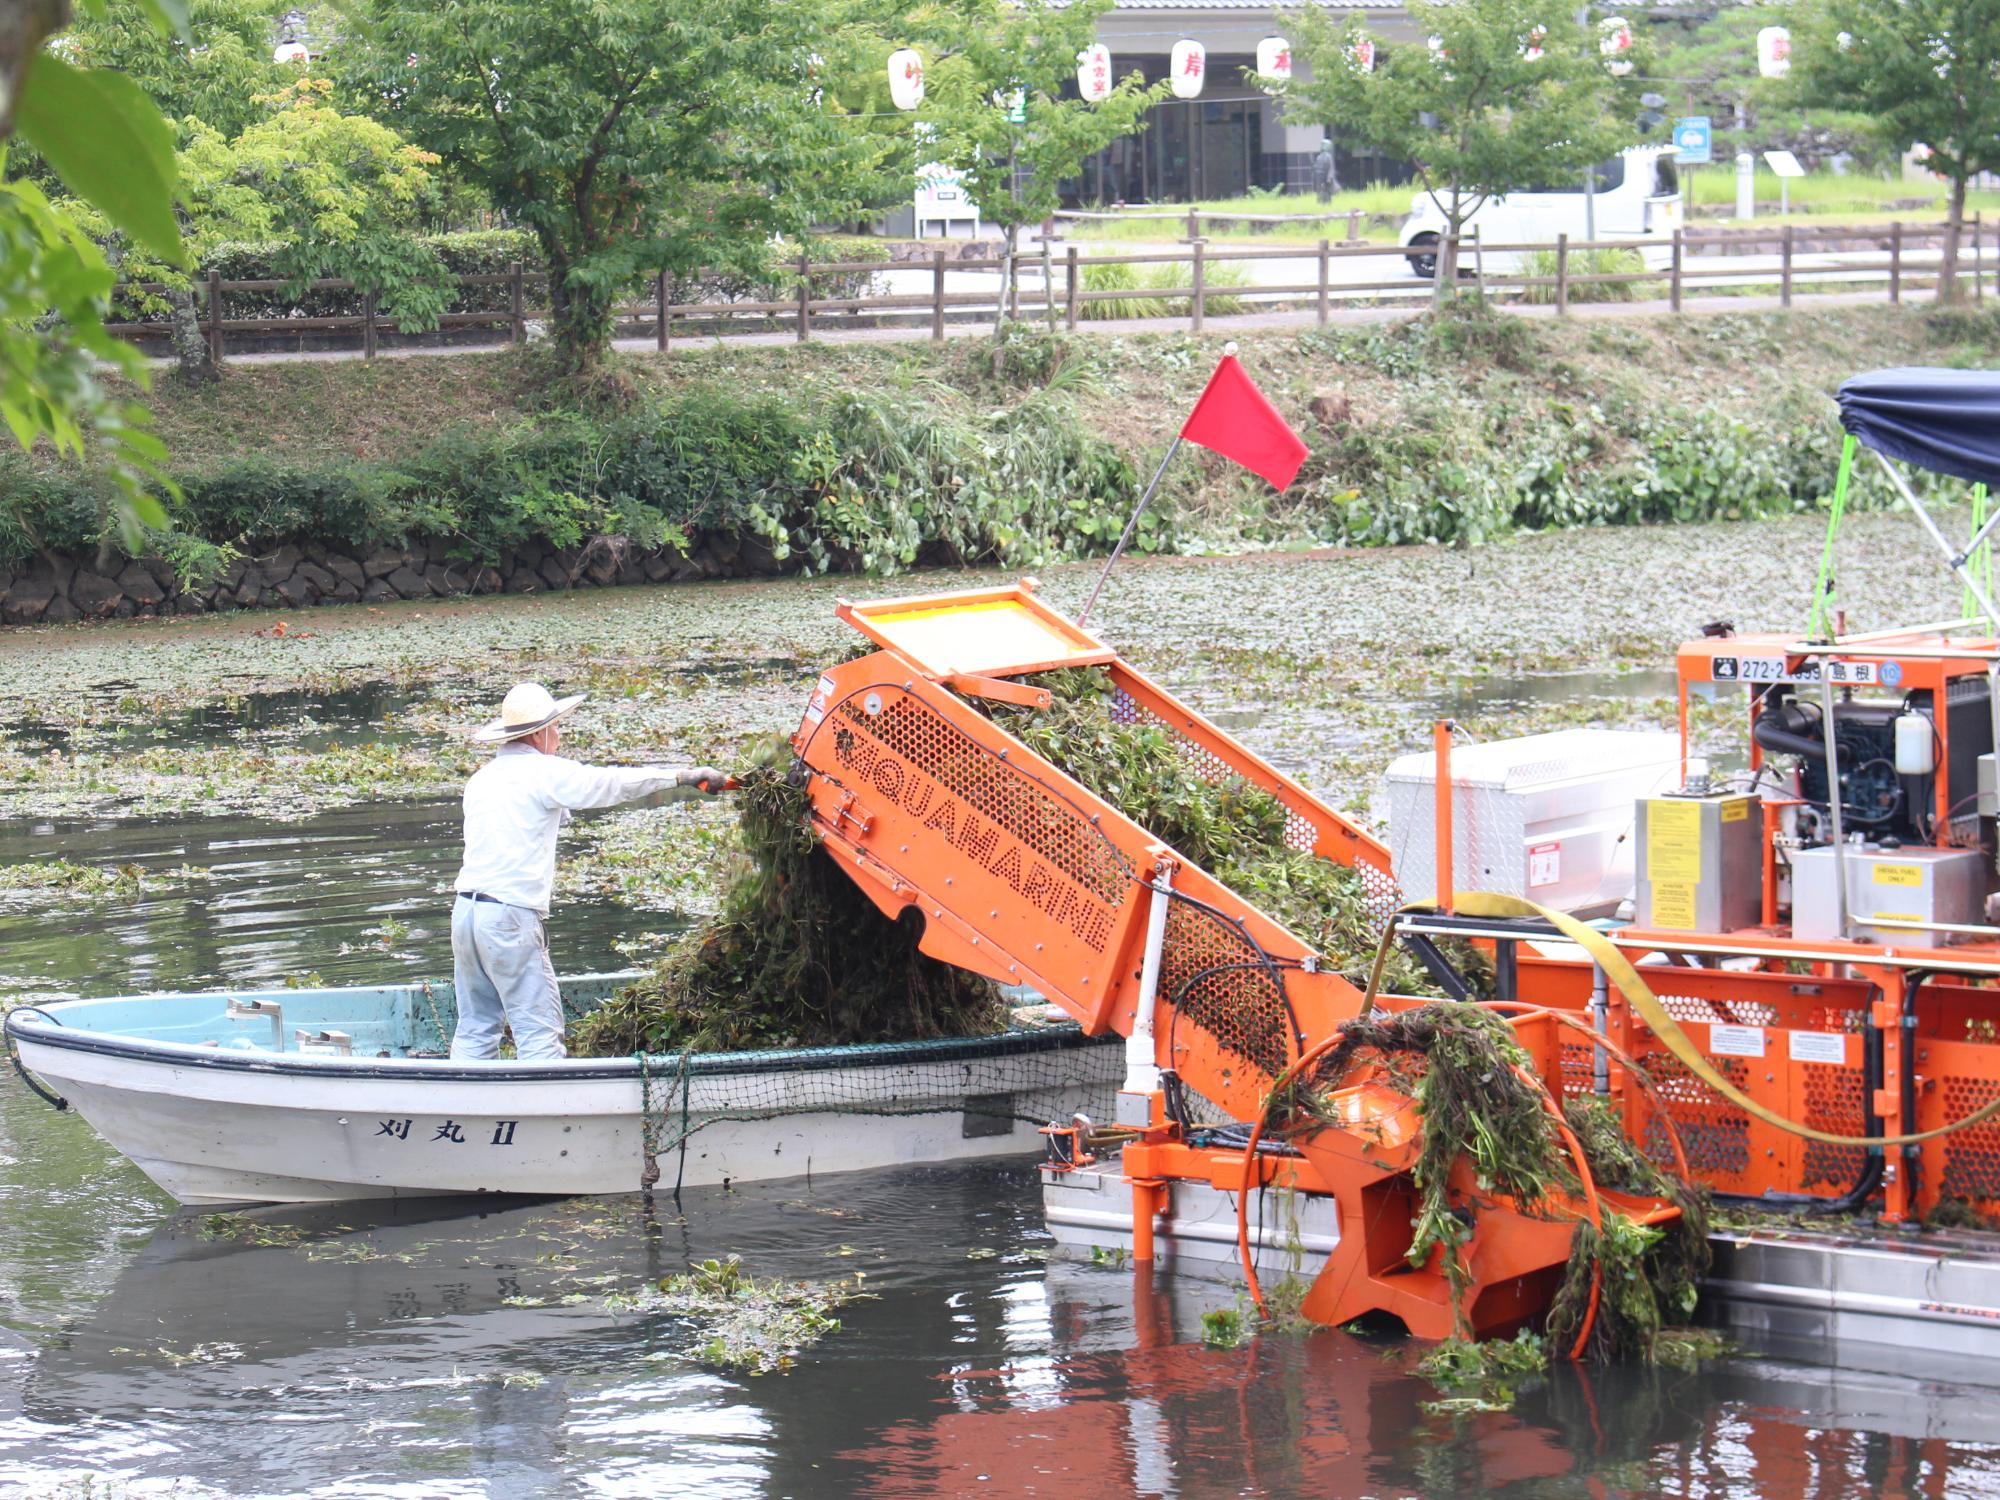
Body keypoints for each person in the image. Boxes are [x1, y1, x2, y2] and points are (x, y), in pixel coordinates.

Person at [449, 681, 726, 1061]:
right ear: (539, 734)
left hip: (466, 914)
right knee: (539, 1032)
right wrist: (682, 776)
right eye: (556, 728)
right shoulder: (543, 772)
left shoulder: (482, 779)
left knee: (476, 1026)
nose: (559, 737)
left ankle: (464, 1095)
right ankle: (545, 1098)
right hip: (509, 917)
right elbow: (608, 784)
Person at [1311, 139, 1339, 204]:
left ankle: (1326, 202)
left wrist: (1329, 177)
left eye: (1323, 145)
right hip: (1319, 177)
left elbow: (1331, 168)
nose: (1322, 146)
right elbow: (1316, 167)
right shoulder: (1319, 157)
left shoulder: (1328, 156)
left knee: (1326, 190)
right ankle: (1320, 202)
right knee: (1320, 190)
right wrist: (1314, 168)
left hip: (1325, 176)